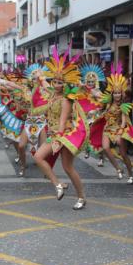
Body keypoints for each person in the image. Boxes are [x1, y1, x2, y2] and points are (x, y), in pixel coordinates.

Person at [33, 46, 89, 210]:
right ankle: (58, 184)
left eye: (60, 82)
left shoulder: (66, 99)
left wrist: (57, 134)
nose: (57, 85)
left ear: (66, 84)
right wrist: (40, 76)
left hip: (64, 134)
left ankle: (81, 197)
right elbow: (43, 81)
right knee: (40, 158)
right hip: (55, 133)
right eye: (55, 81)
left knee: (67, 167)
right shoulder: (52, 93)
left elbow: (63, 120)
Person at [99, 65, 133, 185]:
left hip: (119, 129)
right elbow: (104, 112)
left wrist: (120, 131)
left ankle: (130, 174)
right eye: (115, 93)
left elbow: (124, 120)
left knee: (123, 153)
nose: (117, 95)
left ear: (122, 93)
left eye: (119, 93)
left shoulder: (123, 106)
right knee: (105, 148)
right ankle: (118, 168)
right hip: (107, 129)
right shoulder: (108, 104)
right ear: (112, 94)